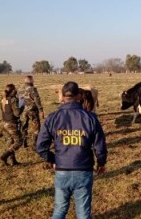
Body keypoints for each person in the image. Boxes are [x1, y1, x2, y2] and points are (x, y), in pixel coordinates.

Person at [37, 81, 107, 219]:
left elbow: (40, 146)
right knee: (83, 213)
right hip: (83, 170)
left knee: (60, 209)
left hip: (62, 170)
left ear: (62, 96)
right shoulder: (91, 118)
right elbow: (100, 145)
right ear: (79, 96)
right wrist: (101, 162)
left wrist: (52, 160)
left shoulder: (52, 118)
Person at [0, 84, 23, 166]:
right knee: (19, 141)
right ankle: (4, 155)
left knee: (10, 141)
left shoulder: (3, 99)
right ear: (13, 91)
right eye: (15, 89)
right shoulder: (13, 100)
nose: (16, 90)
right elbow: (17, 113)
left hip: (4, 123)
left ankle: (13, 161)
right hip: (11, 123)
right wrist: (22, 105)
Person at [20, 75, 44, 149]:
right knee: (36, 127)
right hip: (32, 111)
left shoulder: (21, 89)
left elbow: (20, 101)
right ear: (31, 81)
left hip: (24, 111)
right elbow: (37, 100)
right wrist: (41, 110)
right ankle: (35, 143)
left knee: (24, 127)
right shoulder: (33, 89)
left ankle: (24, 142)